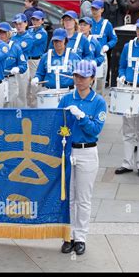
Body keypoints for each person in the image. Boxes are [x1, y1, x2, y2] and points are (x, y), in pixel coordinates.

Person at [58, 60, 107, 255]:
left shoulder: (98, 102)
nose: (79, 80)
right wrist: (63, 131)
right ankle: (67, 235)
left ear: (92, 79)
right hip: (69, 150)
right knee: (68, 196)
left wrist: (81, 117)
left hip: (87, 151)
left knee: (83, 198)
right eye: (77, 76)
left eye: (83, 77)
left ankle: (81, 237)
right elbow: (58, 122)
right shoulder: (67, 98)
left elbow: (95, 130)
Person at [115, 17, 139, 178]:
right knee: (128, 128)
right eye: (138, 28)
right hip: (129, 90)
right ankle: (126, 163)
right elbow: (121, 66)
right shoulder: (128, 46)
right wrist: (121, 76)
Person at [0, 22, 27, 108]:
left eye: (4, 32)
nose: (2, 34)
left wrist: (18, 68)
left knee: (11, 105)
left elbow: (23, 65)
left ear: (9, 33)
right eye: (0, 32)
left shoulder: (15, 47)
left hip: (10, 80)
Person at [90, 0, 118, 87]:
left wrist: (107, 46)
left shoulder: (107, 24)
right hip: (89, 56)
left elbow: (114, 38)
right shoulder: (87, 23)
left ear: (102, 10)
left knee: (99, 85)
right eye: (93, 9)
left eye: (96, 9)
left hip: (101, 56)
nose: (94, 11)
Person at [27, 10, 48, 107]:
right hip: (28, 60)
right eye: (33, 20)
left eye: (37, 20)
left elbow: (30, 42)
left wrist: (22, 35)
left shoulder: (42, 33)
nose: (34, 22)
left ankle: (36, 108)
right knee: (27, 87)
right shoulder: (30, 31)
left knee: (36, 87)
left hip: (37, 61)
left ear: (42, 21)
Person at [11, 13, 33, 107]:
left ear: (26, 23)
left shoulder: (28, 37)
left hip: (22, 65)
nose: (18, 26)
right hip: (12, 66)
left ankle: (22, 114)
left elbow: (17, 49)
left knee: (21, 94)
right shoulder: (13, 36)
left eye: (20, 24)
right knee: (12, 94)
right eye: (16, 24)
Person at [78, 17, 104, 92]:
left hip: (89, 72)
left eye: (85, 25)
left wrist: (94, 62)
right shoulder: (76, 40)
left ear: (90, 27)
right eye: (81, 25)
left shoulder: (95, 42)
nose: (82, 27)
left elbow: (101, 57)